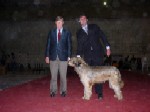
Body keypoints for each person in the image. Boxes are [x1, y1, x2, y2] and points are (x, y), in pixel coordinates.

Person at [76, 14, 111, 100]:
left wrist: (107, 47)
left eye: (84, 18)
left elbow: (102, 36)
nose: (83, 20)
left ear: (87, 20)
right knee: (88, 76)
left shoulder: (94, 27)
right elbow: (80, 46)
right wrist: (78, 56)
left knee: (98, 74)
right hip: (87, 56)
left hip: (97, 54)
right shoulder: (79, 33)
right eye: (81, 19)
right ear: (79, 21)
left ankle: (99, 93)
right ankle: (88, 93)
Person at [45, 16, 72, 97]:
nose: (59, 24)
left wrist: (69, 56)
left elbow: (69, 45)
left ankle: (63, 91)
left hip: (63, 57)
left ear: (63, 23)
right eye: (58, 22)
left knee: (63, 76)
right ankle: (53, 91)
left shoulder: (67, 32)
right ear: (55, 23)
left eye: (61, 22)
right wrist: (47, 56)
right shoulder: (51, 32)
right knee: (53, 76)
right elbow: (48, 44)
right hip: (53, 56)